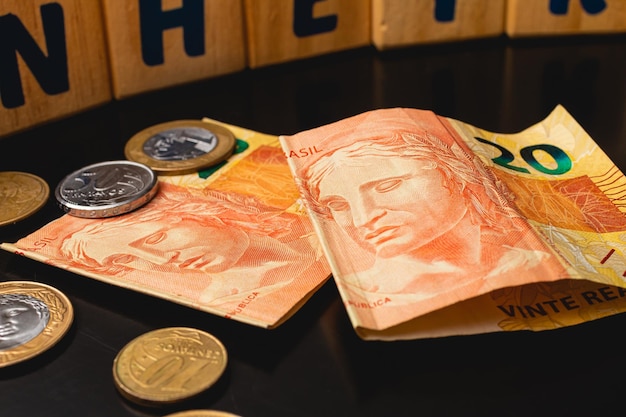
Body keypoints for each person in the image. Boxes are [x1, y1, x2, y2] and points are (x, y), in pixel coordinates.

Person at [292, 109, 567, 314]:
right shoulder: (361, 294)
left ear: (453, 173)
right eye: (338, 205)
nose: (363, 219)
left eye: (387, 185)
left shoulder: (533, 262)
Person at [56, 182, 322, 306]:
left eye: (155, 238)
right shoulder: (224, 301)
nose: (160, 260)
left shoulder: (318, 235)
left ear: (196, 215)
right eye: (124, 260)